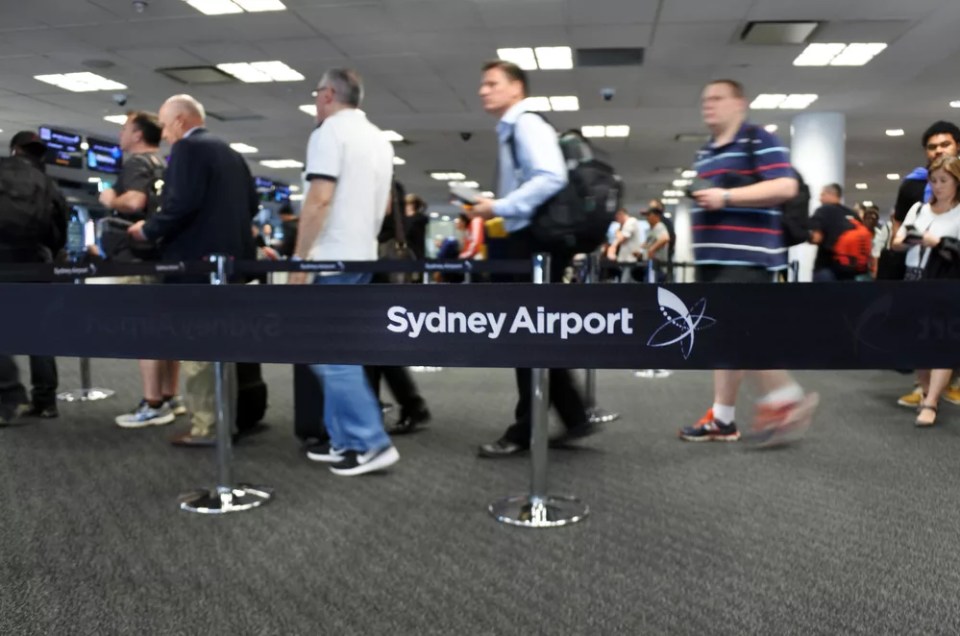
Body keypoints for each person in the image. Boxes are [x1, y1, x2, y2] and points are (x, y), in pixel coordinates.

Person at [467, 59, 596, 458]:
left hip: (530, 244)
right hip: (524, 241)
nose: (482, 90)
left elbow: (551, 176)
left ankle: (525, 430)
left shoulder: (526, 124)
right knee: (534, 334)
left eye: (492, 83)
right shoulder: (512, 128)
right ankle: (573, 415)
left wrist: (501, 207)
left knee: (524, 338)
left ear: (517, 88)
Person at [680, 79, 818, 446]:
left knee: (740, 334)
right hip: (713, 258)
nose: (709, 105)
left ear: (740, 103)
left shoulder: (758, 139)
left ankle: (785, 399)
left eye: (718, 98)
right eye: (705, 99)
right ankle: (723, 419)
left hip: (746, 258)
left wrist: (725, 196)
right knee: (725, 340)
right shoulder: (707, 151)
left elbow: (784, 187)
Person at [128, 94, 258, 446]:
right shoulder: (230, 152)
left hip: (196, 266)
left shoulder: (187, 150)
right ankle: (223, 421)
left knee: (199, 351)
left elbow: (180, 204)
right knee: (219, 348)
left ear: (182, 121)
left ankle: (208, 428)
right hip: (230, 266)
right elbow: (253, 203)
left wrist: (148, 230)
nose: (166, 134)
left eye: (167, 125)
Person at [290, 68, 399, 476]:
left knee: (328, 353)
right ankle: (345, 440)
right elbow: (385, 208)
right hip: (362, 255)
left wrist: (300, 261)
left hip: (331, 257)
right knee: (339, 351)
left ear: (330, 94)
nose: (316, 98)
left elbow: (319, 199)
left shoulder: (328, 132)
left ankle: (371, 441)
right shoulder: (378, 138)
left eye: (317, 91)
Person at [104, 111, 186, 429]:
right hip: (160, 257)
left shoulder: (137, 164)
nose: (121, 134)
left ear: (138, 135)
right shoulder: (163, 163)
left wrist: (111, 198)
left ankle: (152, 403)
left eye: (125, 129)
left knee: (143, 329)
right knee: (165, 329)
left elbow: (135, 202)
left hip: (136, 258)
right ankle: (169, 396)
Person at [0, 131, 68, 422]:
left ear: (15, 149)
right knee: (39, 332)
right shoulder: (48, 183)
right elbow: (60, 226)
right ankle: (46, 401)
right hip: (36, 262)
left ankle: (7, 399)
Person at [891, 156, 960, 427]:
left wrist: (938, 242)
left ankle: (931, 401)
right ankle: (925, 389)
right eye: (934, 180)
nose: (938, 186)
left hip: (945, 280)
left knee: (940, 341)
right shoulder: (919, 209)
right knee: (917, 341)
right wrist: (906, 241)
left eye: (944, 180)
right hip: (914, 277)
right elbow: (896, 242)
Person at [809, 183, 861, 282]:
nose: (820, 198)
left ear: (830, 194)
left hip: (826, 268)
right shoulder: (853, 215)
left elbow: (816, 238)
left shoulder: (823, 211)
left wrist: (802, 235)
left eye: (822, 195)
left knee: (823, 297)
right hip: (849, 271)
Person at [606, 208, 644, 282]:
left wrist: (617, 233)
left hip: (630, 260)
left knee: (625, 282)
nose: (617, 220)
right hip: (624, 261)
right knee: (628, 282)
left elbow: (622, 238)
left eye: (617, 217)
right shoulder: (623, 226)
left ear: (621, 215)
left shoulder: (631, 221)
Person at [639, 205, 671, 282]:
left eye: (649, 215)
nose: (647, 217)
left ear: (657, 216)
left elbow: (665, 238)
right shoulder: (651, 229)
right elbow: (648, 245)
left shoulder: (659, 226)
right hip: (650, 264)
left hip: (658, 266)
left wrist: (652, 249)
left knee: (652, 289)